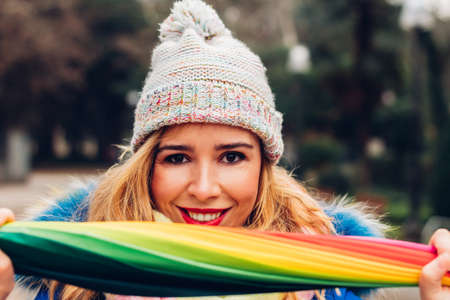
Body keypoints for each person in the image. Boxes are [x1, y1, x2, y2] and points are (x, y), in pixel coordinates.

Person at [0, 0, 449, 299]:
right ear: (145, 165)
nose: (204, 187)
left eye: (232, 156)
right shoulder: (74, 274)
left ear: (264, 165)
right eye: (177, 157)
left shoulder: (330, 277)